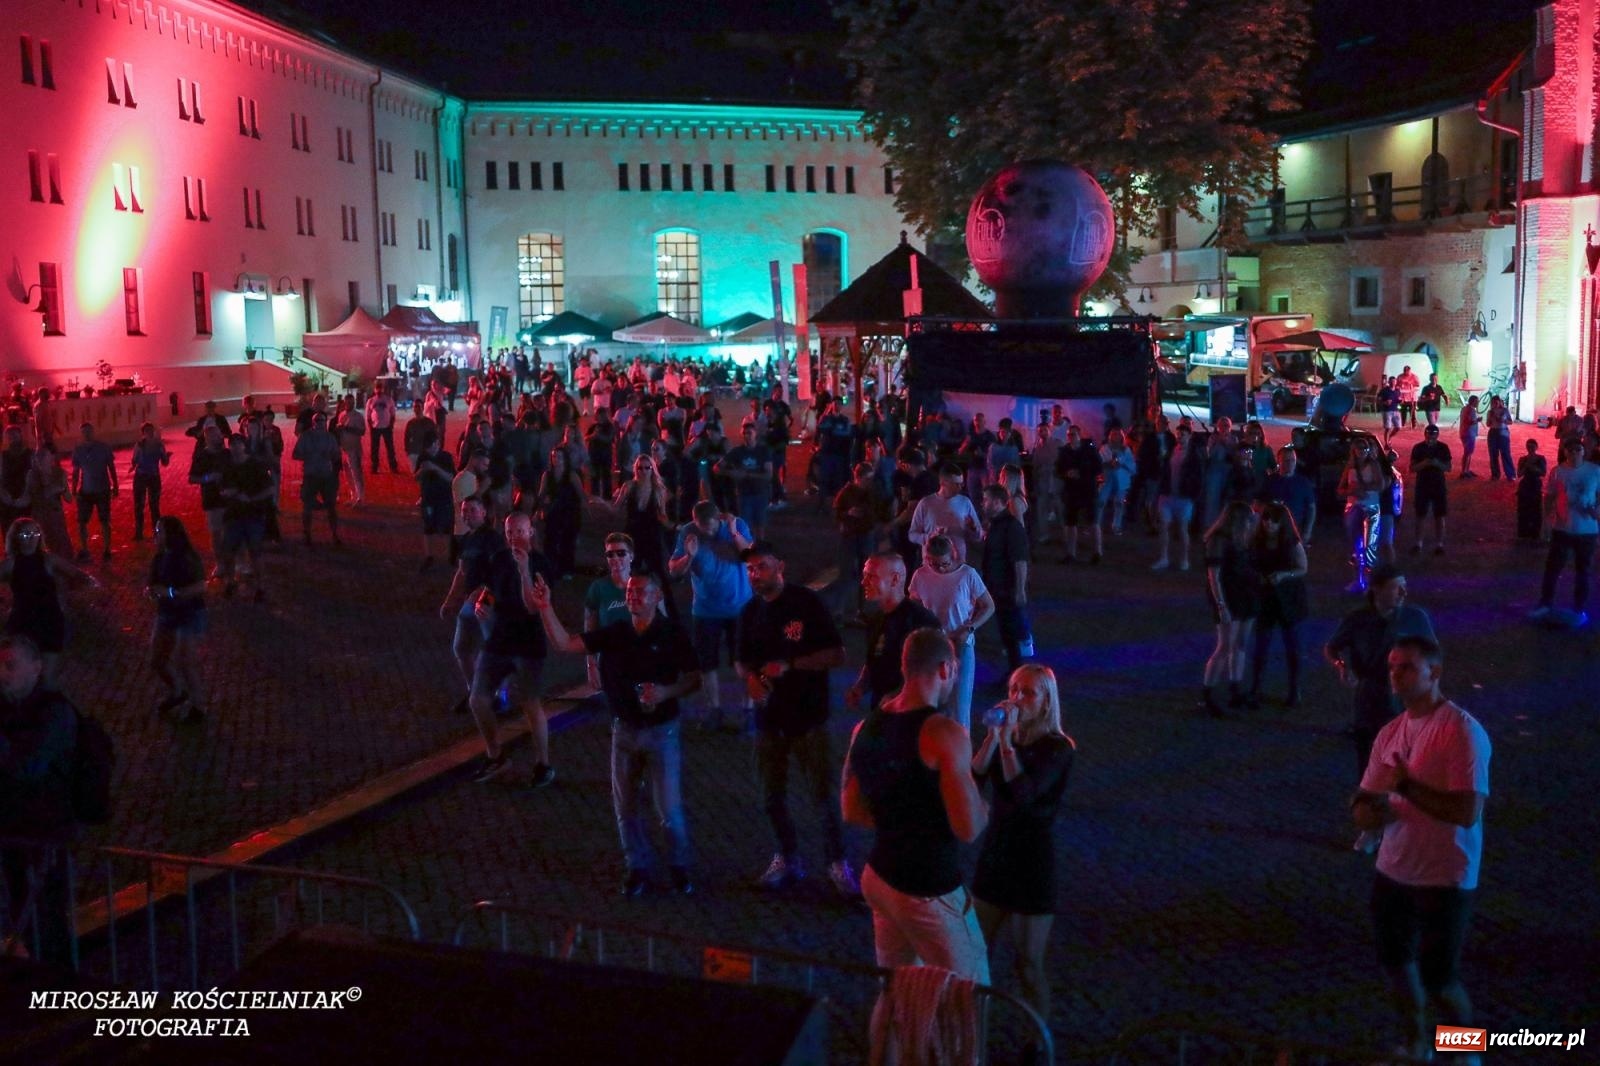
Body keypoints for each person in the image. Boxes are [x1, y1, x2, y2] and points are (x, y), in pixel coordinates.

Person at [1350, 637, 1490, 1064]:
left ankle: (1466, 1054)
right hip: (1392, 869)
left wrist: (1406, 786)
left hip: (1444, 877)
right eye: (1392, 667)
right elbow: (1366, 800)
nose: (1396, 675)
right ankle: (1415, 1046)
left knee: (1439, 979)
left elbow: (1466, 810)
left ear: (1435, 672)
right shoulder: (1390, 733)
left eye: (1408, 667)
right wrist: (1366, 815)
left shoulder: (1461, 731)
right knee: (1396, 963)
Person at [531, 570, 700, 895]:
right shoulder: (617, 632)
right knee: (626, 809)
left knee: (669, 809)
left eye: (641, 592)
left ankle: (679, 865)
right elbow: (566, 643)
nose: (633, 597)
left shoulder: (671, 634)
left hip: (661, 731)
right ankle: (637, 867)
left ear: (656, 597)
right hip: (623, 730)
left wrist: (665, 693)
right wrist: (545, 607)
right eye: (630, 592)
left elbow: (695, 678)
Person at [841, 627, 990, 982]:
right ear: (945, 669)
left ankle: (894, 1040)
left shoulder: (865, 728)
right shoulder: (944, 734)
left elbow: (851, 810)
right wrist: (985, 806)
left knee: (898, 992)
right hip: (928, 888)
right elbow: (967, 827)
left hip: (879, 877)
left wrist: (899, 817)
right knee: (970, 994)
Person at [735, 540, 855, 895]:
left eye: (762, 567)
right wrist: (751, 679)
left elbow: (836, 653)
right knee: (771, 795)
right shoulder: (749, 613)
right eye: (751, 570)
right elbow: (741, 659)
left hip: (808, 719)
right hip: (768, 720)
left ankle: (837, 862)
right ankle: (787, 858)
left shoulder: (806, 603)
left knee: (822, 796)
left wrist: (790, 665)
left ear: (780, 566)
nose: (756, 575)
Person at [971, 664, 1075, 1024]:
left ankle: (1037, 1044)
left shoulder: (1058, 749)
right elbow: (972, 780)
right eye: (1014, 689)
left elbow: (1024, 794)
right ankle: (970, 1036)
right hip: (996, 856)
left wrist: (1006, 745)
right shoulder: (1007, 739)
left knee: (1028, 964)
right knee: (973, 953)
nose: (1017, 698)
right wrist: (992, 738)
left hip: (1032, 863)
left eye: (1028, 692)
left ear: (1046, 702)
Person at [0, 634, 80, 968]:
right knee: (22, 904)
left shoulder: (55, 713)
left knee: (47, 909)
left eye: (10, 665)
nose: (2, 674)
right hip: (15, 829)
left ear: (37, 668)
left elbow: (30, 767)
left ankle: (59, 983)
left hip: (46, 832)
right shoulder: (10, 710)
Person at [468, 511, 559, 787]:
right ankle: (495, 754)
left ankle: (543, 763)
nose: (514, 538)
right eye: (509, 533)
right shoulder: (499, 559)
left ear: (531, 531)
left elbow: (533, 607)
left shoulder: (541, 564)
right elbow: (492, 588)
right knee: (477, 699)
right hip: (499, 638)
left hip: (528, 642)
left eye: (519, 531)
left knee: (530, 703)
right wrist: (483, 603)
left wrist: (523, 570)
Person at [1326, 565, 1437, 780]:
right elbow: (1332, 646)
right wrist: (1341, 665)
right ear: (1376, 590)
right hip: (1369, 698)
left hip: (1404, 700)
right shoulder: (1357, 619)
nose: (1404, 593)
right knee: (1368, 757)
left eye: (1405, 587)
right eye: (1397, 588)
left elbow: (1433, 655)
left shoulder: (1415, 617)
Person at [671, 501, 753, 730]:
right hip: (706, 610)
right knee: (707, 663)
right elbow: (674, 571)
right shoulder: (688, 531)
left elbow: (751, 556)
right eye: (701, 527)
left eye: (710, 527)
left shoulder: (736, 526)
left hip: (740, 606)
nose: (706, 533)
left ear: (719, 519)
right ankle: (714, 711)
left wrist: (735, 533)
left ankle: (747, 710)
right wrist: (688, 556)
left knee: (744, 660)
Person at [908, 534, 994, 731]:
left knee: (959, 705)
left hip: (961, 644)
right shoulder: (920, 576)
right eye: (933, 563)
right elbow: (914, 606)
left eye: (943, 564)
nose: (938, 568)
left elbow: (988, 606)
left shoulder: (968, 575)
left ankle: (961, 751)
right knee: (932, 703)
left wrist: (970, 627)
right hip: (933, 645)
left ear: (953, 556)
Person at [0, 518, 97, 690]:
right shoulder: (10, 564)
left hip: (49, 621)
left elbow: (75, 574)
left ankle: (45, 710)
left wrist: (91, 584)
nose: (31, 538)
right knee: (21, 675)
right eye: (25, 534)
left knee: (47, 677)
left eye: (35, 533)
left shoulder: (48, 559)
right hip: (23, 622)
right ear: (16, 538)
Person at [847, 551, 938, 713]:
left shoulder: (921, 621)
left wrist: (898, 695)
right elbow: (875, 658)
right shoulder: (876, 620)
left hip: (911, 714)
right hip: (882, 709)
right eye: (864, 575)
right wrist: (861, 685)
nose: (863, 582)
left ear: (895, 579)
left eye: (871, 576)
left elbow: (932, 672)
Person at [1528, 436, 1600, 628]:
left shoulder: (1595, 472)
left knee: (1582, 571)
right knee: (1553, 568)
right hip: (1563, 529)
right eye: (1571, 450)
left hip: (1587, 531)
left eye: (1578, 449)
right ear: (1565, 452)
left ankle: (1579, 609)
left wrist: (1596, 511)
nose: (1574, 453)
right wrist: (1546, 521)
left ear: (1584, 452)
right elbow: (1550, 497)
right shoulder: (1558, 472)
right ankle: (1545, 603)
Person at [145, 516, 207, 722]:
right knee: (157, 660)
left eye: (159, 531)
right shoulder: (160, 558)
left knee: (185, 661)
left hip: (189, 613)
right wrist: (153, 592)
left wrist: (170, 593)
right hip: (167, 613)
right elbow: (154, 585)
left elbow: (199, 587)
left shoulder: (187, 557)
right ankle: (177, 691)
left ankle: (198, 706)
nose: (155, 535)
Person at [1199, 501, 1258, 715]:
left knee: (1240, 643)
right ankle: (1208, 694)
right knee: (1224, 646)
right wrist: (1221, 604)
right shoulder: (1219, 540)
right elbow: (1213, 576)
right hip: (1230, 597)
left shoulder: (1242, 538)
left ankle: (1235, 689)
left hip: (1246, 595)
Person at [1248, 501, 1309, 708]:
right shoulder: (1257, 541)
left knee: (1292, 647)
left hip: (1288, 598)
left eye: (1273, 521)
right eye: (1266, 520)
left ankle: (1294, 689)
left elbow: (1302, 568)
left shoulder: (1291, 543)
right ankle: (1256, 687)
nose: (1268, 525)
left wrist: (1283, 575)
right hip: (1266, 597)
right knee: (1261, 646)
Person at [979, 484, 1032, 674]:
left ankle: (1016, 672)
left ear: (996, 502)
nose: (983, 504)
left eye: (985, 500)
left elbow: (1020, 560)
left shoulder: (1010, 526)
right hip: (998, 586)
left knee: (1010, 633)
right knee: (1006, 632)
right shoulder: (998, 524)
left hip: (1006, 588)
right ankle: (1014, 671)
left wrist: (1019, 590)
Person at [217, 435, 274, 602]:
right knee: (228, 551)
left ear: (244, 446)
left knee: (255, 553)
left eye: (238, 444)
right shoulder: (227, 467)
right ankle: (230, 582)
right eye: (232, 444)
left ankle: (260, 586)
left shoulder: (255, 465)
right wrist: (227, 493)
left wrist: (251, 498)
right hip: (233, 516)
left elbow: (270, 489)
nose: (235, 447)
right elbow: (221, 488)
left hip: (253, 515)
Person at [1339, 437, 1389, 593]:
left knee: (1370, 545)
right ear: (1353, 450)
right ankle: (1358, 580)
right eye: (1358, 448)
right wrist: (1351, 491)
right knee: (1356, 546)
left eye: (1365, 448)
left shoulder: (1373, 465)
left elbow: (1381, 485)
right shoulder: (1350, 467)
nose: (1362, 451)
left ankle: (1370, 583)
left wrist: (1363, 487)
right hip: (1353, 508)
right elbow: (1340, 490)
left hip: (1371, 508)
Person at [908, 463, 984, 565]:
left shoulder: (965, 502)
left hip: (958, 563)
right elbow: (912, 535)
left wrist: (973, 529)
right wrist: (930, 537)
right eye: (956, 484)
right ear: (943, 483)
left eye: (962, 484)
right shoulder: (926, 503)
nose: (960, 487)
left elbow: (978, 537)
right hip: (932, 563)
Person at [1153, 423, 1204, 571]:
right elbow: (1164, 472)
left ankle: (1184, 559)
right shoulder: (1171, 451)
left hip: (1184, 497)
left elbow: (1198, 477)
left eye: (1183, 435)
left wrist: (1193, 495)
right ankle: (1164, 558)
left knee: (1182, 529)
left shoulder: (1194, 455)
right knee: (1164, 526)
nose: (1180, 437)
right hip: (1168, 495)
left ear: (1189, 436)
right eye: (1178, 434)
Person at [292, 411, 343, 547]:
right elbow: (295, 454)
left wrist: (330, 456)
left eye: (322, 420)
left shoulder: (330, 437)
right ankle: (307, 534)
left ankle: (334, 535)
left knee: (331, 507)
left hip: (326, 475)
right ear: (313, 422)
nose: (320, 423)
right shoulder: (305, 436)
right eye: (317, 420)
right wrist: (309, 455)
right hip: (311, 475)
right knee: (307, 506)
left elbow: (337, 456)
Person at [70, 422, 117, 563]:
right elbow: (76, 471)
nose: (87, 434)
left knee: (104, 521)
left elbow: (111, 467)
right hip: (86, 490)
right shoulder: (78, 450)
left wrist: (115, 485)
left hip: (102, 489)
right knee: (82, 522)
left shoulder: (103, 448)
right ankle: (85, 548)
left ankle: (107, 549)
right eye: (84, 432)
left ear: (93, 432)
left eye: (88, 431)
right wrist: (73, 488)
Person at [187, 425, 232, 572]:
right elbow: (192, 478)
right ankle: (220, 563)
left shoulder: (227, 453)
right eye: (215, 436)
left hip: (230, 498)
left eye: (219, 435)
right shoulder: (202, 456)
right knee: (216, 533)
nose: (219, 437)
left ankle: (233, 561)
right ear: (207, 438)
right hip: (212, 500)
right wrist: (207, 478)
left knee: (231, 531)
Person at [1056, 424, 1103, 564]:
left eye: (1074, 434)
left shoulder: (1089, 450)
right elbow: (1058, 469)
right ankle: (1071, 553)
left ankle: (1097, 552)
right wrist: (1066, 473)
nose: (1071, 437)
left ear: (1079, 434)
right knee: (1071, 522)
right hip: (1071, 490)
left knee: (1093, 521)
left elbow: (1098, 468)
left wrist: (1081, 473)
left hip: (1088, 489)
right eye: (1069, 434)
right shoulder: (1064, 451)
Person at [719, 423, 773, 539]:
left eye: (749, 433)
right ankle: (748, 547)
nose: (747, 436)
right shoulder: (737, 452)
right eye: (744, 433)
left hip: (760, 492)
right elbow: (717, 467)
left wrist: (746, 474)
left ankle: (758, 547)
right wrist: (730, 473)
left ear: (755, 434)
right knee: (745, 524)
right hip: (744, 493)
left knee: (760, 524)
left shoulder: (763, 451)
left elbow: (769, 474)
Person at [414, 434, 456, 571]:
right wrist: (421, 470)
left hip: (444, 498)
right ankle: (429, 556)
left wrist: (435, 468)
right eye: (427, 448)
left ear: (437, 443)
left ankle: (450, 556)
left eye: (431, 446)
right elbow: (416, 477)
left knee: (447, 527)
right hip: (428, 498)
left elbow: (451, 478)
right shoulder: (423, 457)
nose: (430, 450)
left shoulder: (446, 457)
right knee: (428, 527)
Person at [1408, 425, 1452, 555]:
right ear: (1425, 434)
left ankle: (1439, 544)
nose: (1430, 437)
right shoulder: (1418, 448)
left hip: (1438, 485)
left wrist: (1436, 463)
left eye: (1433, 434)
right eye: (1428, 434)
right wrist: (1425, 463)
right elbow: (1412, 468)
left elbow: (1448, 467)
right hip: (1423, 485)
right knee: (1420, 515)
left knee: (1439, 515)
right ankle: (1418, 543)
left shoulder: (1443, 448)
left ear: (1437, 435)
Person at [26, 447, 73, 558]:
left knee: (62, 544)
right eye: (39, 458)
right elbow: (27, 497)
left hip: (55, 514)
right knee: (45, 545)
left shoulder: (58, 473)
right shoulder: (32, 475)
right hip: (40, 516)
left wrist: (62, 488)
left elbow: (69, 498)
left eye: (45, 457)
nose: (41, 461)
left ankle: (66, 568)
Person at [129, 422, 171, 542]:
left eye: (151, 430)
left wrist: (166, 457)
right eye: (148, 430)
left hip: (148, 476)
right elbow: (165, 462)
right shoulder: (150, 444)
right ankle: (144, 532)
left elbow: (164, 462)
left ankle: (148, 532)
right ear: (144, 433)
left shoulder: (155, 444)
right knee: (144, 506)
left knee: (151, 506)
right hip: (147, 476)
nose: (150, 432)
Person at [335, 396, 366, 504]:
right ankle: (353, 494)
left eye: (351, 403)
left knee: (356, 472)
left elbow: (362, 431)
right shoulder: (341, 415)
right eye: (347, 403)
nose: (348, 405)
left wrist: (346, 428)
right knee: (347, 474)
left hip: (354, 448)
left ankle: (360, 496)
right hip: (344, 448)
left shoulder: (358, 416)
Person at [1515, 439, 1547, 542]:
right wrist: (1527, 465)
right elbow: (1519, 474)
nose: (1530, 449)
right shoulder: (1523, 459)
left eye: (1532, 446)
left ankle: (1534, 533)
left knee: (1536, 510)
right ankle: (1524, 533)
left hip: (1535, 485)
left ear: (1536, 447)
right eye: (1528, 446)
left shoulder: (1541, 459)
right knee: (1523, 509)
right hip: (1525, 485)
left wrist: (1530, 466)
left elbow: (1543, 473)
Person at [365, 383, 400, 474]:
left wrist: (391, 425)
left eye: (380, 388)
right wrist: (370, 427)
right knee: (374, 449)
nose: (379, 390)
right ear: (374, 390)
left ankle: (393, 466)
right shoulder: (371, 401)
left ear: (383, 389)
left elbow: (392, 413)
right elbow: (368, 415)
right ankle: (374, 467)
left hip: (386, 427)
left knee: (390, 448)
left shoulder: (388, 399)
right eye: (377, 388)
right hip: (375, 427)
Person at [1484, 395, 1513, 481]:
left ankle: (1510, 474)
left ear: (1500, 402)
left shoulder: (1505, 410)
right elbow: (1488, 424)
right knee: (1493, 454)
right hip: (1493, 432)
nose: (1495, 404)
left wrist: (1503, 421)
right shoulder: (1490, 412)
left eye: (1497, 402)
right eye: (1493, 402)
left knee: (1505, 453)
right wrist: (1490, 419)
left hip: (1503, 431)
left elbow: (1510, 421)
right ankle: (1495, 474)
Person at [1457, 395, 1481, 479]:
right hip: (1468, 433)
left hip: (1466, 433)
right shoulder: (1470, 410)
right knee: (1467, 453)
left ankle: (1466, 470)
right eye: (1477, 401)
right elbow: (1469, 421)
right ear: (1473, 401)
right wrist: (1477, 420)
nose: (1478, 403)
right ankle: (1464, 471)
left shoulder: (1465, 408)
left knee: (1469, 452)